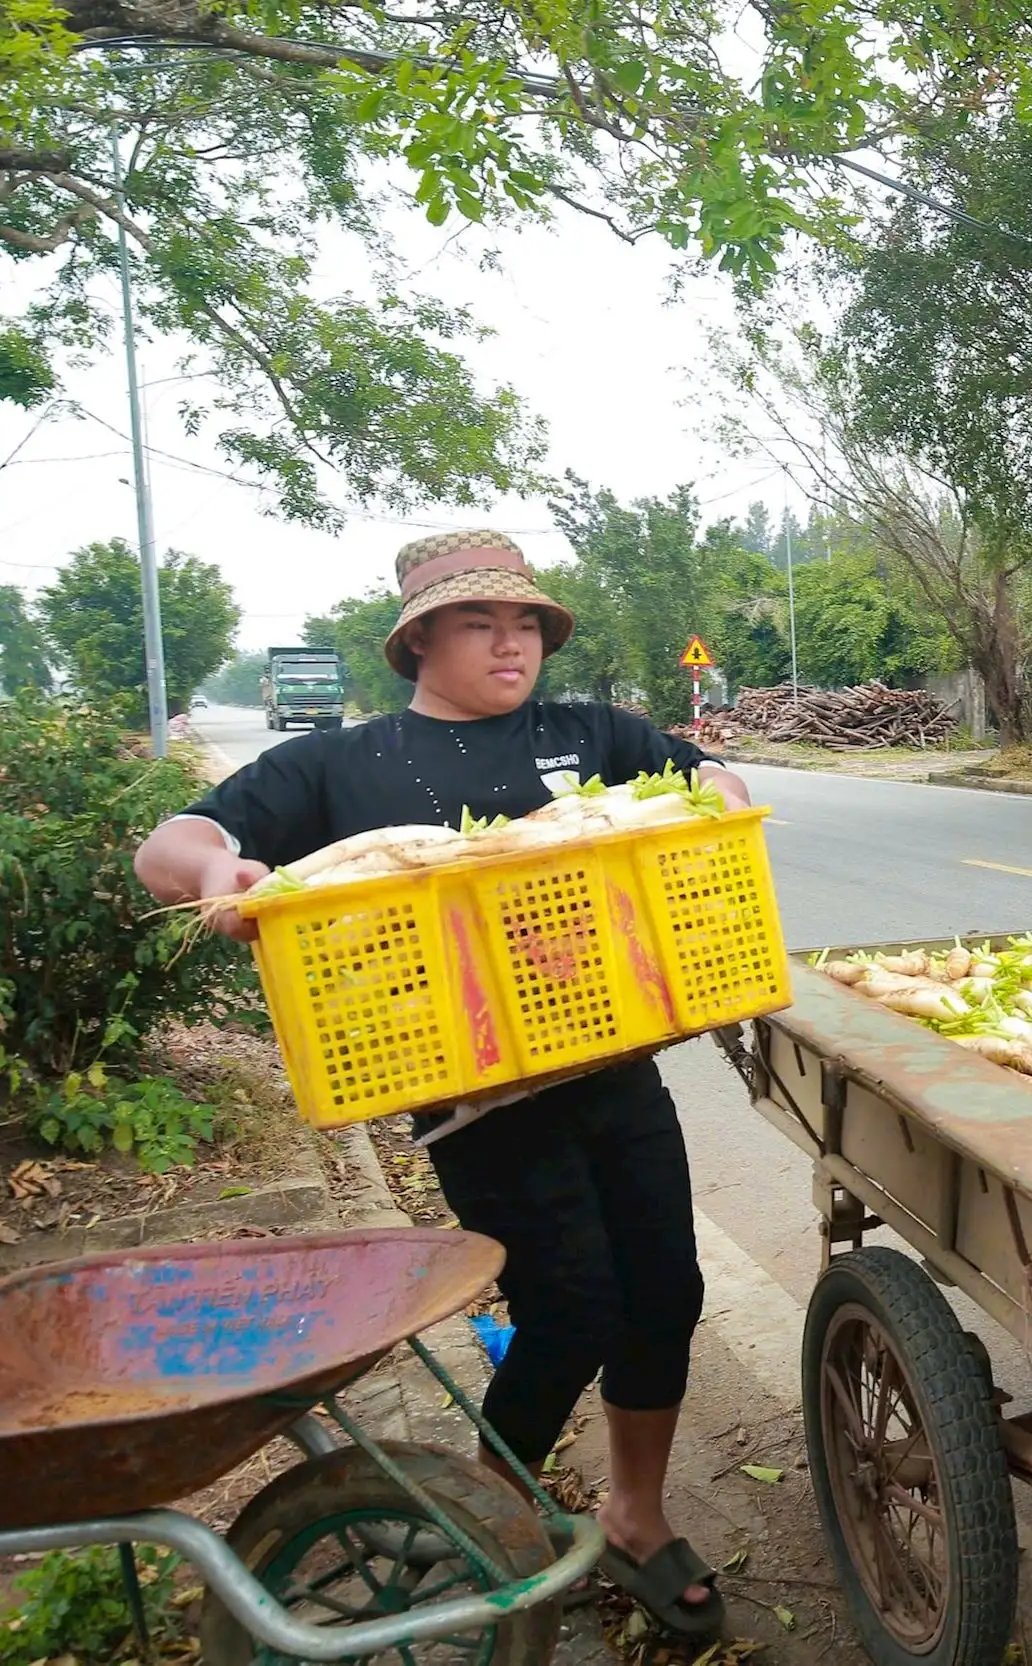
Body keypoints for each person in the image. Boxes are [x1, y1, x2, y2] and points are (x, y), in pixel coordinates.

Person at [135, 531, 743, 1639]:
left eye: (526, 625)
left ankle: (637, 1512)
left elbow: (709, 786)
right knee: (569, 1310)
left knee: (666, 1291)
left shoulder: (590, 732)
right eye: (480, 623)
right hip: (474, 1094)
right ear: (422, 637)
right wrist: (219, 870)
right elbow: (172, 845)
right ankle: (495, 1516)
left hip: (614, 1060)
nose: (511, 644)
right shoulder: (342, 764)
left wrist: (709, 791)